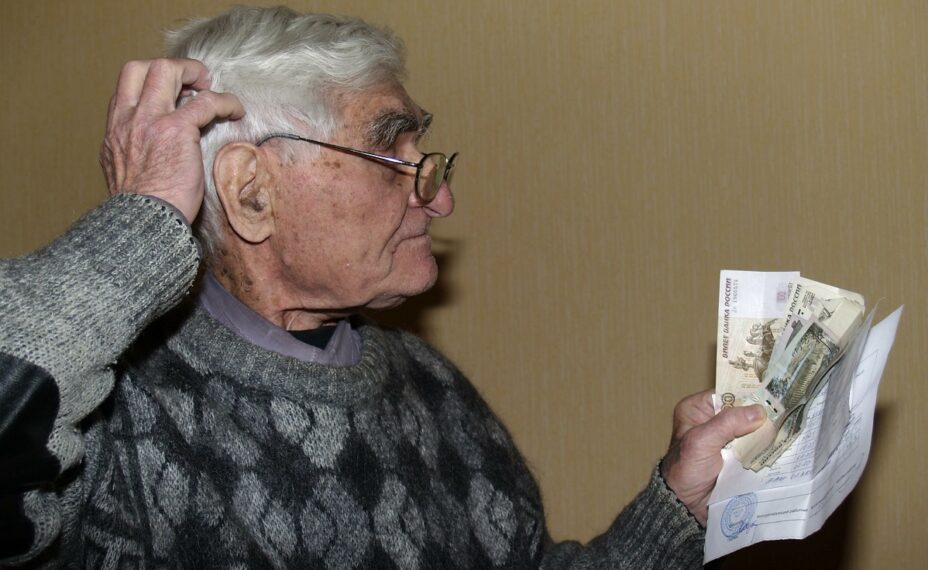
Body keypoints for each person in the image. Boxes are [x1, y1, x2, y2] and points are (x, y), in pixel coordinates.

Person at [0, 6, 764, 568]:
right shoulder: (105, 416)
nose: (441, 198)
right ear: (250, 192)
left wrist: (678, 505)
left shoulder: (431, 385)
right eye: (393, 157)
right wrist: (143, 220)